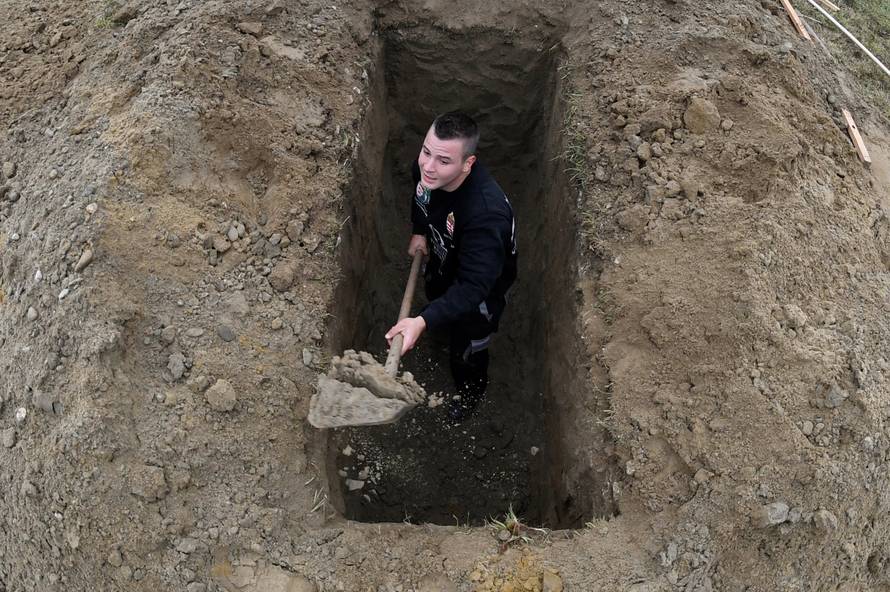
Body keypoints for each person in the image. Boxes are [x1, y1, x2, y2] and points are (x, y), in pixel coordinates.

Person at [385, 112, 517, 421]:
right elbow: (421, 199)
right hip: (444, 262)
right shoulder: (427, 173)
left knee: (466, 351)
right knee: (438, 296)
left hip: (480, 294)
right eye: (426, 151)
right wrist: (419, 230)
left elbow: (474, 287)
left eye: (444, 161)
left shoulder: (486, 215)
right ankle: (438, 322)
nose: (429, 166)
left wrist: (421, 321)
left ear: (467, 164)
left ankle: (470, 394)